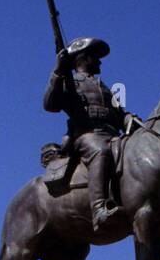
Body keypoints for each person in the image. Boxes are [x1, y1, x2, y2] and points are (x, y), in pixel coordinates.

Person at [42, 36, 130, 230]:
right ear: (82, 57)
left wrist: (130, 120)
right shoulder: (69, 81)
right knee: (101, 152)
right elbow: (50, 104)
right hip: (85, 135)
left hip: (112, 133)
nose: (99, 61)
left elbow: (119, 113)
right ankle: (99, 209)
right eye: (94, 56)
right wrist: (58, 71)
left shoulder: (103, 87)